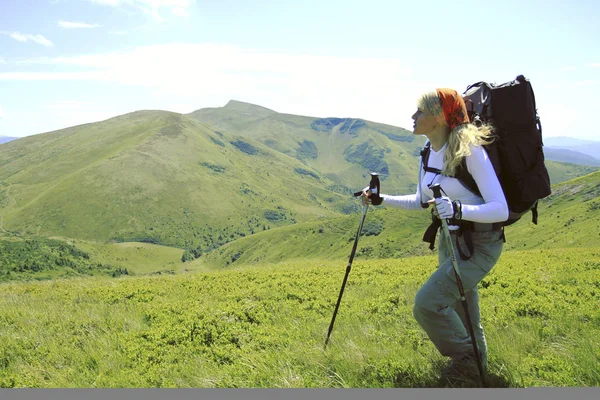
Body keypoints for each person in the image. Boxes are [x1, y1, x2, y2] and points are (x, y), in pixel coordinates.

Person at [361, 88, 509, 379]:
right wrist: (382, 199)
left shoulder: (470, 153)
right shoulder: (428, 153)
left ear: (439, 117)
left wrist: (456, 209)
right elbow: (421, 200)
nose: (413, 116)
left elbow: (500, 209)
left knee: (427, 304)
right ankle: (479, 372)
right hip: (450, 240)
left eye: (421, 111)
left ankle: (467, 359)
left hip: (480, 243)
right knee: (464, 310)